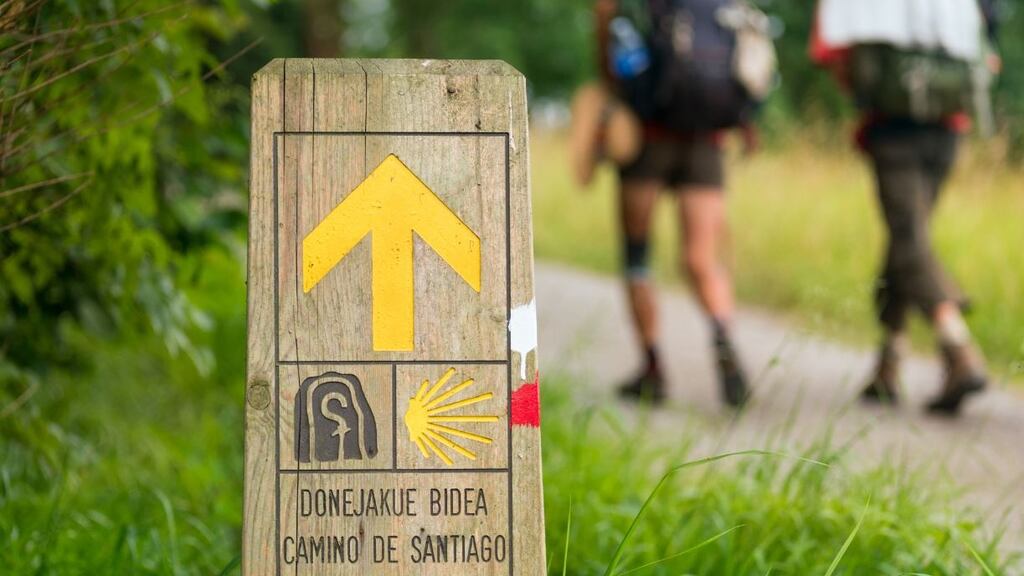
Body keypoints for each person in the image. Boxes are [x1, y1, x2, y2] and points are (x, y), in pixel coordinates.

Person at [811, 0, 999, 414]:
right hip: (949, 127)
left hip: (893, 128)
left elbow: (832, 52)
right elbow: (989, 45)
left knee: (908, 239)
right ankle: (888, 363)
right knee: (907, 239)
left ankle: (957, 346)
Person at [593, 0, 767, 407]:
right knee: (702, 259)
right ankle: (724, 340)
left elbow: (614, 65)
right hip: (707, 140)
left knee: (637, 254)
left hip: (647, 139)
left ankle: (652, 368)